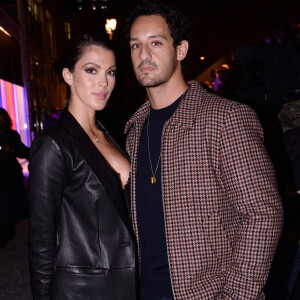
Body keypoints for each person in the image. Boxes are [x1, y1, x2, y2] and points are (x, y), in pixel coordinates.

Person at [124, 1, 283, 299]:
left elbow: (263, 215)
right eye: (135, 46)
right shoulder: (134, 131)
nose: (143, 55)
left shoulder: (225, 118)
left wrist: (237, 294)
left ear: (181, 50)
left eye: (155, 43)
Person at [28, 34, 136, 300]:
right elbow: (41, 241)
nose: (104, 82)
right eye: (91, 70)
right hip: (83, 290)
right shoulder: (53, 145)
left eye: (110, 72)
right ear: (68, 75)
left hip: (127, 283)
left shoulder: (108, 135)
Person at [0, 108, 29, 247]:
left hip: (8, 172)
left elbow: (20, 149)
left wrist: (11, 150)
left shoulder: (11, 134)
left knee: (8, 202)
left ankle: (7, 230)